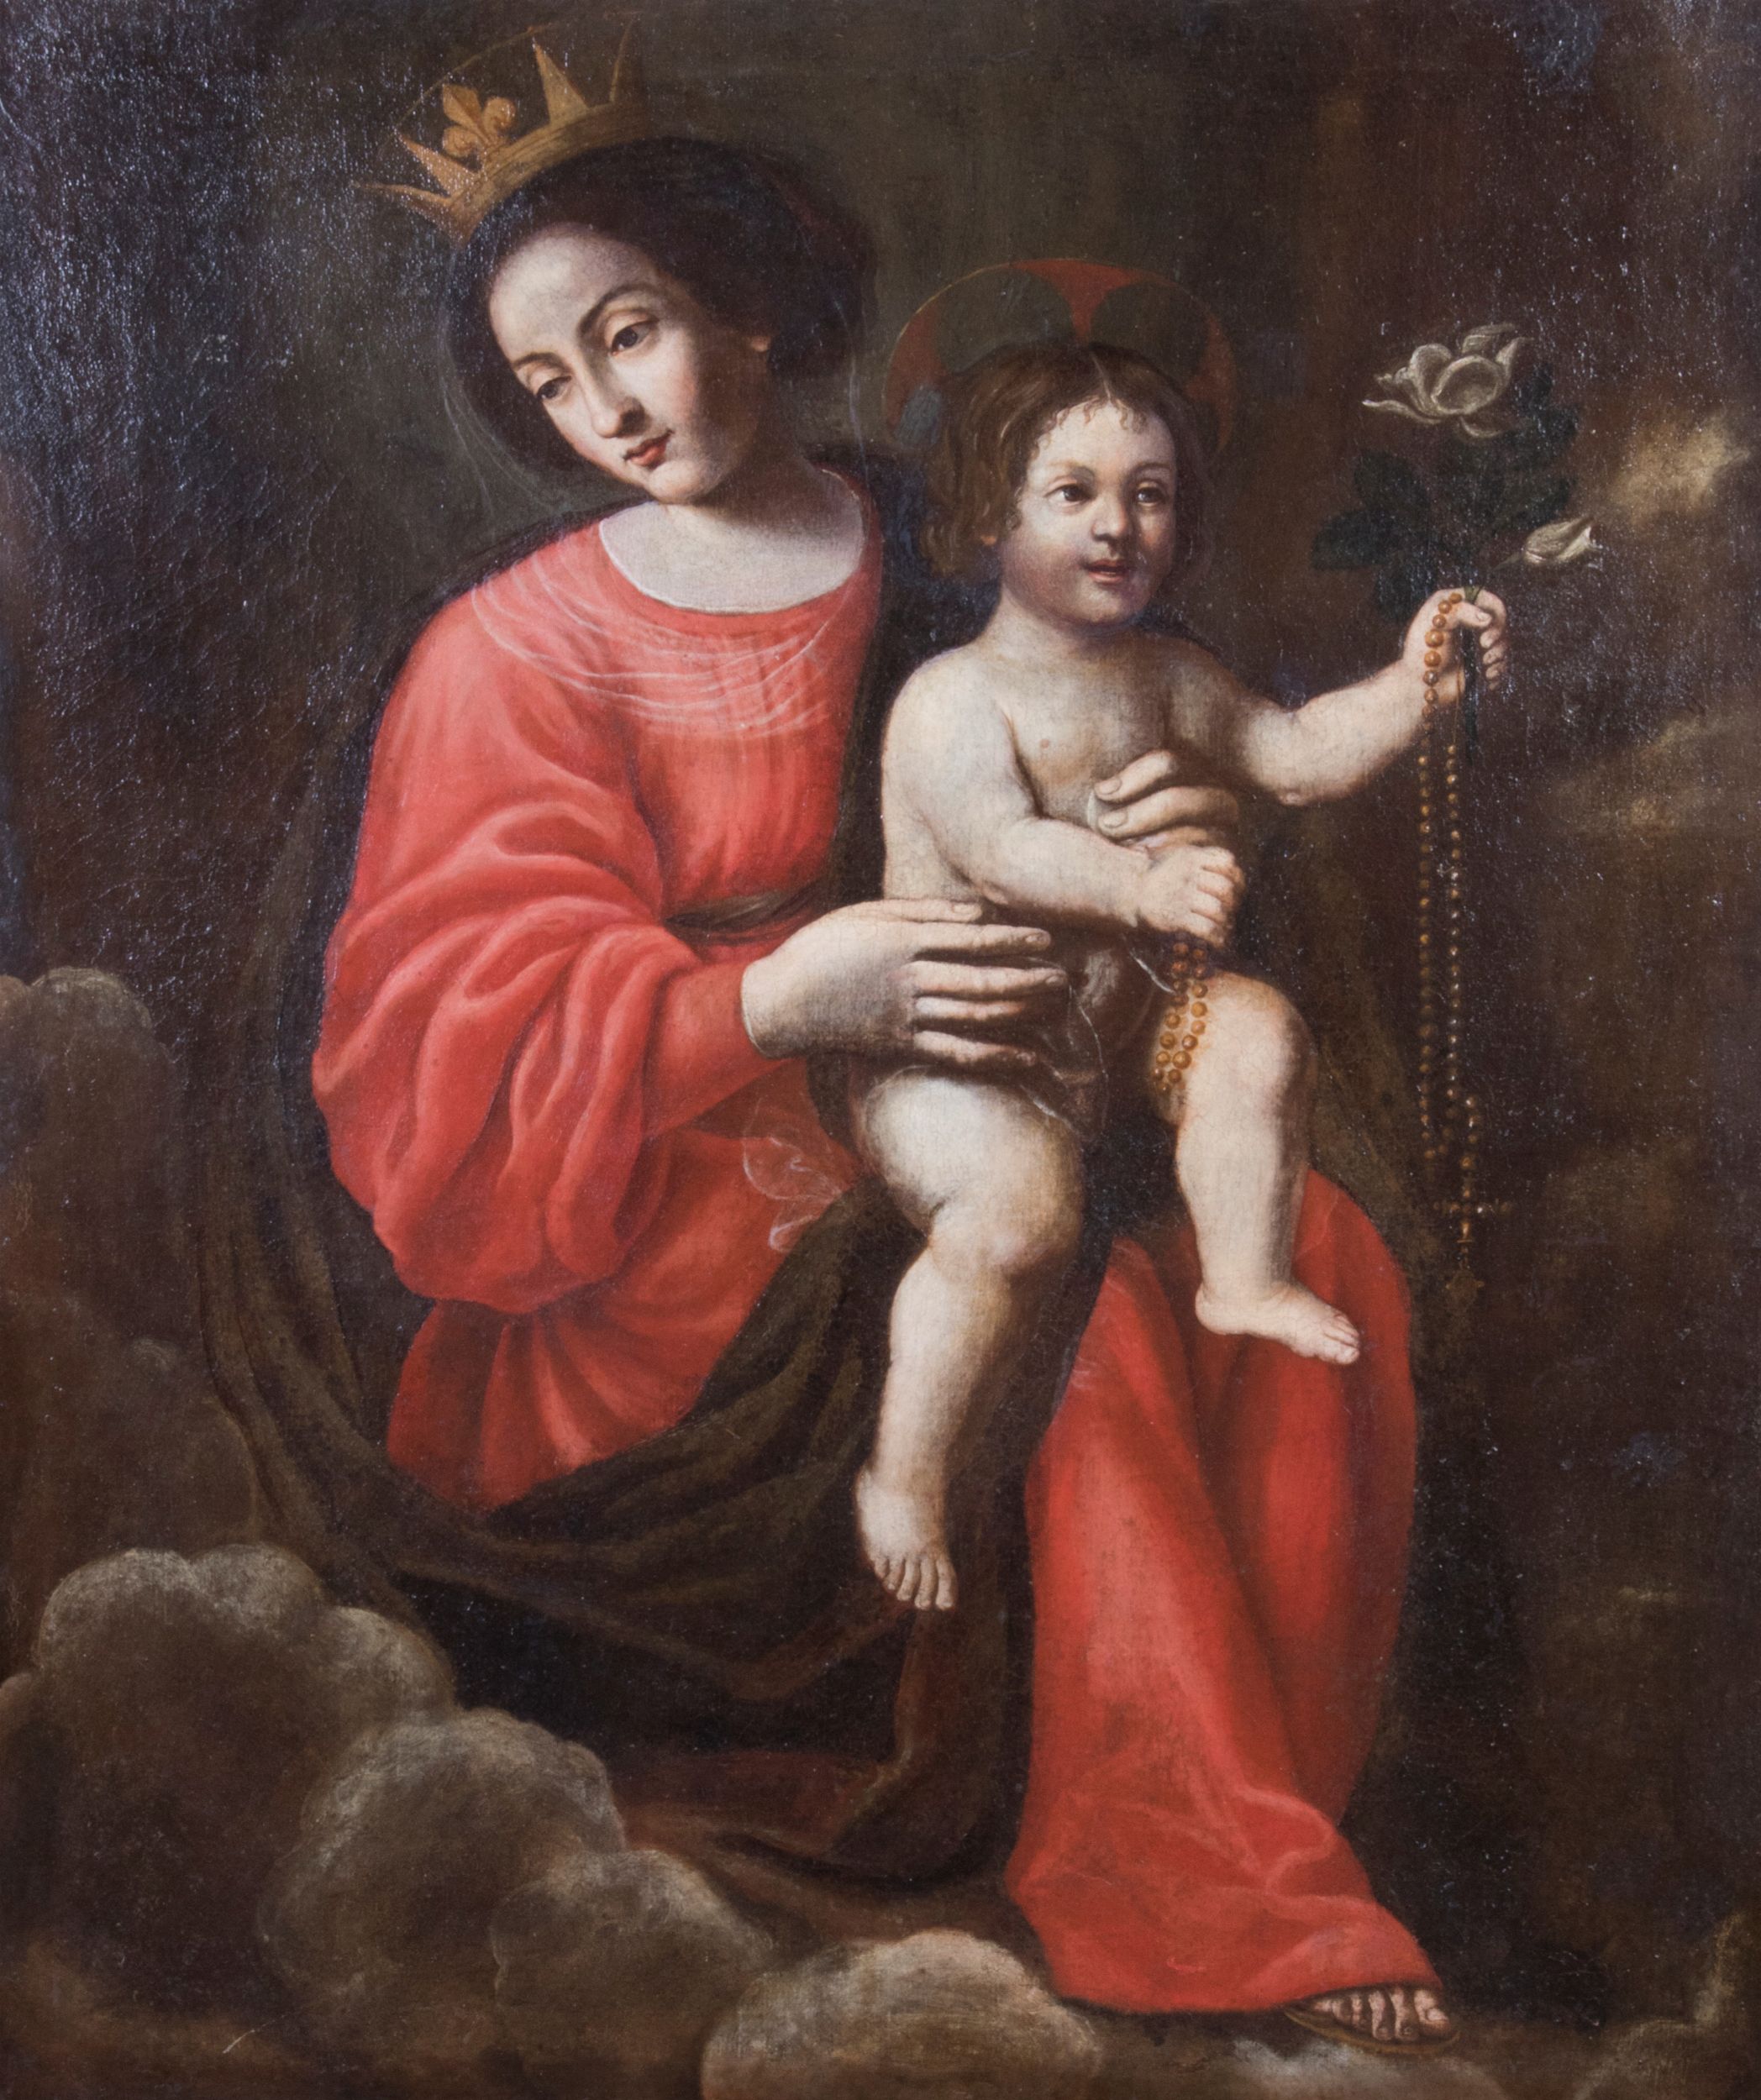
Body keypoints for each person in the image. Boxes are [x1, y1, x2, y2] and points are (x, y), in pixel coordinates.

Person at [311, 90, 1459, 2050]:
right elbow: (442, 1030)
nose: (606, 404)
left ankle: (1262, 1809)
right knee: (1078, 1316)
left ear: (747, 305)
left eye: (630, 330)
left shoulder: (955, 541)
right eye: (549, 378)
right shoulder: (509, 654)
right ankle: (1200, 1890)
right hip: (670, 1198)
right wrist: (769, 997)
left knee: (1306, 1246)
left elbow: (1171, 747)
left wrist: (1175, 830)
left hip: (1034, 1059)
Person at [851, 339, 1509, 1617]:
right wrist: (1142, 887)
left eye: (1148, 494)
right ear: (988, 515)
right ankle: (902, 1472)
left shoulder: (1169, 675)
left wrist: (1415, 682)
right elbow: (1001, 847)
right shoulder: (951, 698)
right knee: (1013, 1226)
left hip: (1120, 1033)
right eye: (1075, 493)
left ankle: (1242, 1277)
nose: (1118, 526)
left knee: (1259, 1033)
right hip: (966, 1053)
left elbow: (1295, 753)